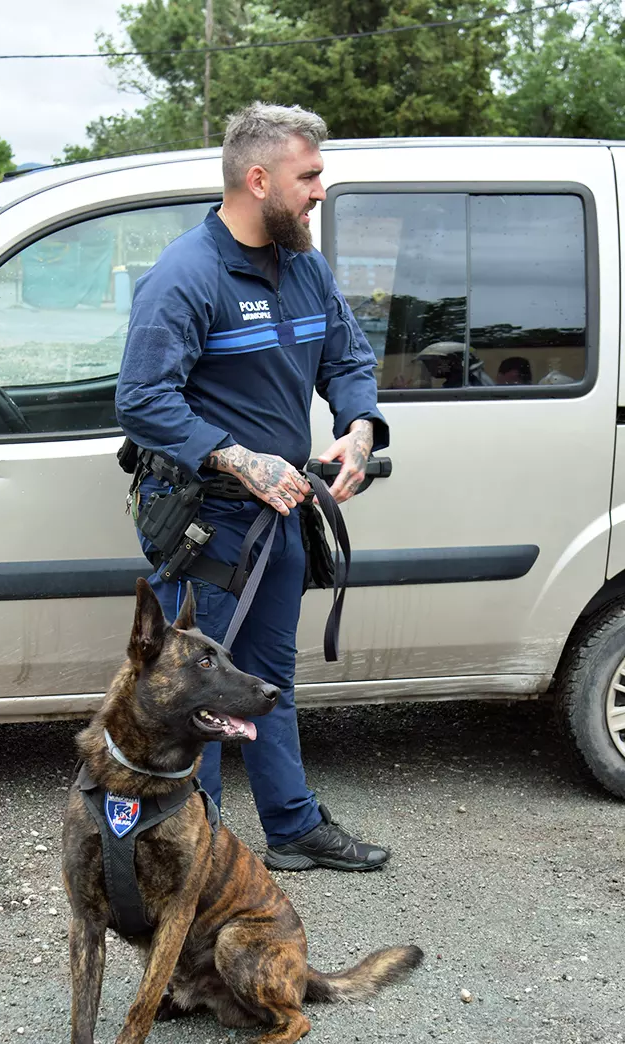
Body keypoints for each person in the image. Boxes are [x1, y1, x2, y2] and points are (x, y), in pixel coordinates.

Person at [114, 102, 390, 873]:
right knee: (193, 699)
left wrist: (359, 428)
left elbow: (348, 360)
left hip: (282, 520)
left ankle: (293, 826)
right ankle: (189, 854)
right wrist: (236, 458)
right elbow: (142, 399)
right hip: (209, 528)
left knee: (269, 683)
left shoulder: (306, 267)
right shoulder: (186, 276)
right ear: (258, 178)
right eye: (310, 177)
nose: (321, 192)